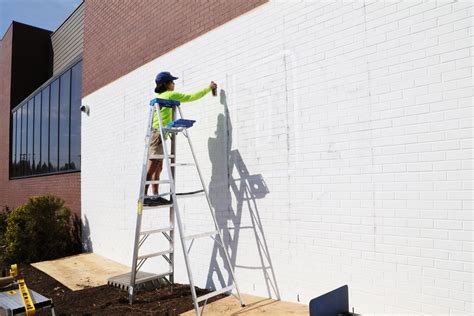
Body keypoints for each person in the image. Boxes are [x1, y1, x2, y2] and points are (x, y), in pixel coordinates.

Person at [144, 71, 217, 206]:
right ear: (166, 84)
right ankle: (144, 196)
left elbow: (165, 116)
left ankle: (154, 196)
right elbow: (192, 97)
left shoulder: (162, 95)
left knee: (158, 168)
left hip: (159, 135)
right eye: (172, 82)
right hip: (157, 135)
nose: (174, 84)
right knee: (153, 166)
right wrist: (209, 88)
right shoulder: (170, 94)